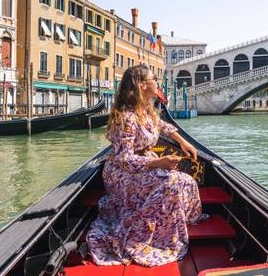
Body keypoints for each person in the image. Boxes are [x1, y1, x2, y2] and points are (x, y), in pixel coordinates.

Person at [87, 64, 206, 267]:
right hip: (123, 173)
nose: (157, 83)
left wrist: (181, 140)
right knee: (172, 183)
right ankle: (157, 235)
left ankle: (178, 221)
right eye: (154, 80)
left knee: (186, 180)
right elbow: (125, 159)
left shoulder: (146, 110)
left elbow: (163, 126)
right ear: (142, 85)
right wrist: (158, 162)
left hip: (146, 164)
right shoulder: (126, 118)